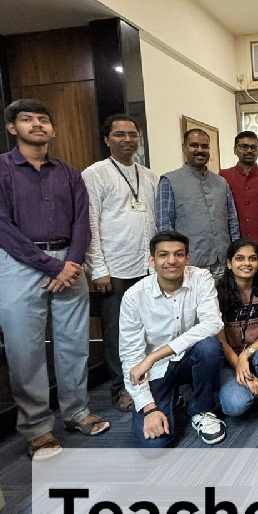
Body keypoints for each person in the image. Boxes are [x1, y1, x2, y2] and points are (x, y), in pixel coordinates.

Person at [0, 99, 108, 460]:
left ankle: (76, 412)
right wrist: (50, 267)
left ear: (52, 129)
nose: (37, 125)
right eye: (27, 119)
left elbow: (82, 222)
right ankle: (37, 429)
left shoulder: (69, 174)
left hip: (69, 262)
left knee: (74, 345)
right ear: (12, 128)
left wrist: (72, 262)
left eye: (43, 120)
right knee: (25, 351)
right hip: (20, 263)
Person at [120, 231, 227, 447]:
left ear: (187, 258)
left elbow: (213, 324)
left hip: (189, 360)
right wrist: (149, 408)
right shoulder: (134, 296)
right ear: (152, 261)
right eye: (163, 255)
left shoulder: (201, 278)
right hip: (156, 370)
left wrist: (153, 356)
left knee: (209, 346)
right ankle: (170, 399)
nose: (171, 260)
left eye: (178, 254)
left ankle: (202, 410)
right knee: (154, 446)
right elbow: (131, 357)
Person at [81, 114, 158, 413]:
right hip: (115, 269)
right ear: (106, 139)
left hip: (147, 266)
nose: (127, 140)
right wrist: (98, 268)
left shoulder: (149, 176)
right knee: (117, 333)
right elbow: (90, 223)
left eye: (132, 134)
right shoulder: (95, 174)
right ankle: (122, 387)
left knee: (149, 328)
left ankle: (149, 381)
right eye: (119, 134)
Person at [215, 239, 258, 418]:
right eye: (240, 258)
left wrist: (246, 355)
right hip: (229, 358)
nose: (247, 263)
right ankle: (247, 386)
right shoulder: (216, 293)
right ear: (229, 264)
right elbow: (220, 340)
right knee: (236, 405)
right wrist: (239, 363)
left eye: (252, 258)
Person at [156, 128, 240, 279]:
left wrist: (236, 253)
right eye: (194, 145)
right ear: (184, 148)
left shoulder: (221, 182)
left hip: (223, 262)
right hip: (189, 264)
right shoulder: (169, 181)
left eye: (205, 146)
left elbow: (232, 221)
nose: (200, 150)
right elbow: (165, 228)